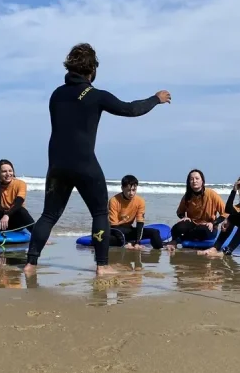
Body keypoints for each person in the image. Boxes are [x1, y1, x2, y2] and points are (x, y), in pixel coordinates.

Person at [23, 43, 171, 276]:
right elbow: (131, 109)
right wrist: (155, 99)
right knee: (100, 213)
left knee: (49, 215)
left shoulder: (56, 95)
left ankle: (30, 264)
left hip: (57, 164)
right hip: (83, 163)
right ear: (92, 69)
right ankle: (102, 265)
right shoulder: (95, 95)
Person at [166, 169, 225, 251]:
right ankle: (175, 240)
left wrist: (213, 223)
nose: (194, 181)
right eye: (191, 179)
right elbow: (179, 212)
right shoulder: (188, 196)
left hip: (208, 227)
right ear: (189, 182)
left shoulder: (211, 194)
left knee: (202, 230)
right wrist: (183, 217)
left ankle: (177, 240)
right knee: (177, 227)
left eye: (197, 178)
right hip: (193, 225)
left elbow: (225, 213)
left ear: (202, 181)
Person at [108, 175, 164, 250]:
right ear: (122, 188)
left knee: (155, 232)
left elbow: (140, 223)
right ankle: (129, 242)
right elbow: (114, 226)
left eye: (134, 190)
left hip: (129, 230)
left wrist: (138, 242)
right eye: (128, 190)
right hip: (115, 230)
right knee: (107, 239)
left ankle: (161, 251)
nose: (131, 193)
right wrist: (126, 243)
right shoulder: (114, 201)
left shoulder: (140, 201)